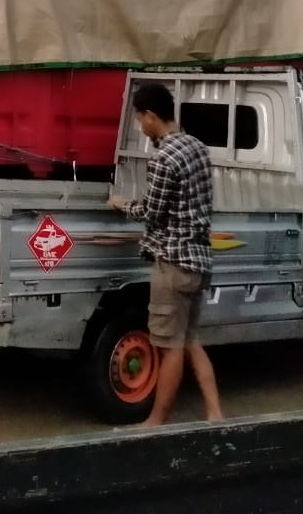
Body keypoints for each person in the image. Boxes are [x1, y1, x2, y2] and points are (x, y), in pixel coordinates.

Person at [108, 83, 224, 426]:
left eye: (140, 120)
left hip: (172, 263)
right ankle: (215, 412)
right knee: (190, 340)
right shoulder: (198, 148)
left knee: (169, 346)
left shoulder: (163, 158)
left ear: (151, 116)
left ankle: (156, 422)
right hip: (199, 262)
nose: (140, 127)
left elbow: (152, 213)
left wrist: (120, 204)